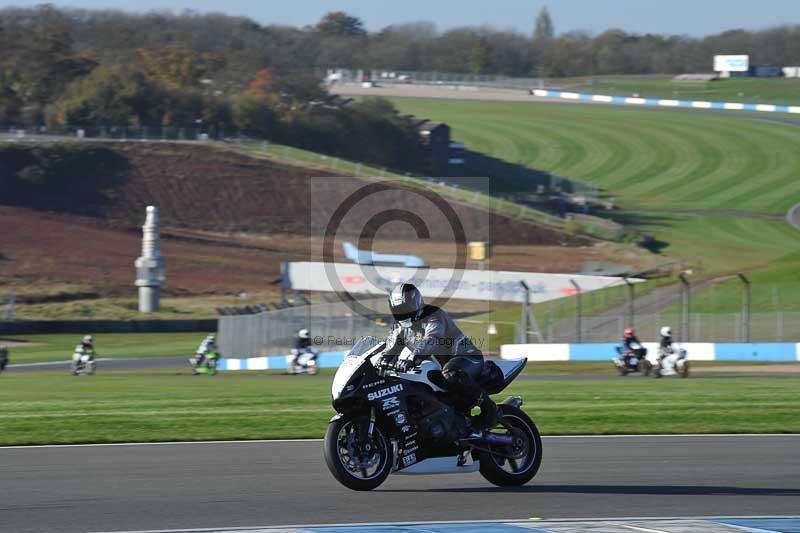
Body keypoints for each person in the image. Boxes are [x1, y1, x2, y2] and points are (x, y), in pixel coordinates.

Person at [383, 282, 499, 432]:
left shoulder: (433, 315)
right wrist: (382, 359)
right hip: (440, 367)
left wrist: (413, 357)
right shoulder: (399, 328)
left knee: (451, 373)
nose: (403, 313)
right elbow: (390, 347)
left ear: (417, 303)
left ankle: (489, 410)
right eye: (398, 309)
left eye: (406, 308)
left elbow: (432, 339)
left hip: (467, 358)